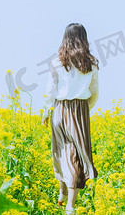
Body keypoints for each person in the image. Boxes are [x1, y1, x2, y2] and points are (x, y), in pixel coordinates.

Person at [41, 23, 99, 215]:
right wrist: (84, 109)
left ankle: (62, 192)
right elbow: (94, 92)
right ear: (84, 38)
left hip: (59, 109)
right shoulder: (91, 64)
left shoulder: (57, 62)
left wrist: (46, 112)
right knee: (76, 156)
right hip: (79, 110)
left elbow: (50, 91)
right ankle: (70, 207)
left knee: (60, 150)